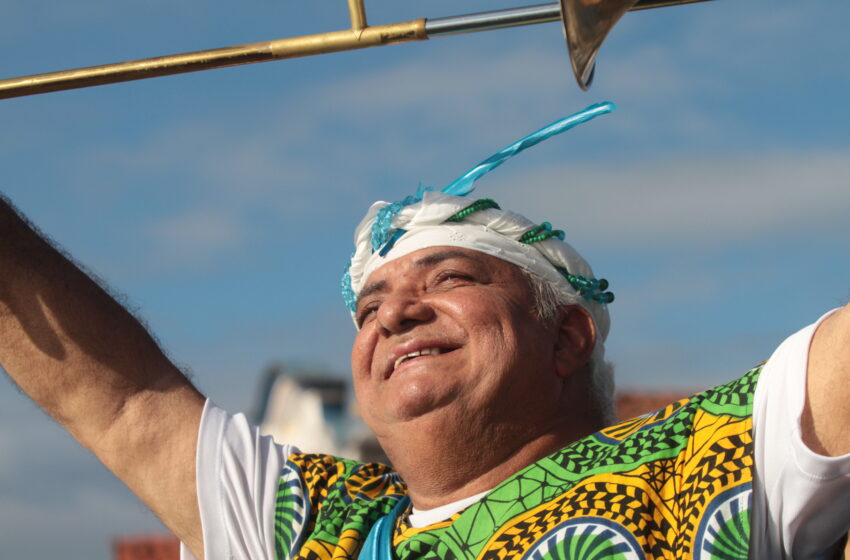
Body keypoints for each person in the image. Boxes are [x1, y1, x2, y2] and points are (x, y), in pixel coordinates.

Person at [0, 104, 848, 560]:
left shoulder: (709, 456)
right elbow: (117, 403)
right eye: (368, 308)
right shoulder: (307, 527)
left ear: (569, 338)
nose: (394, 312)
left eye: (449, 279)